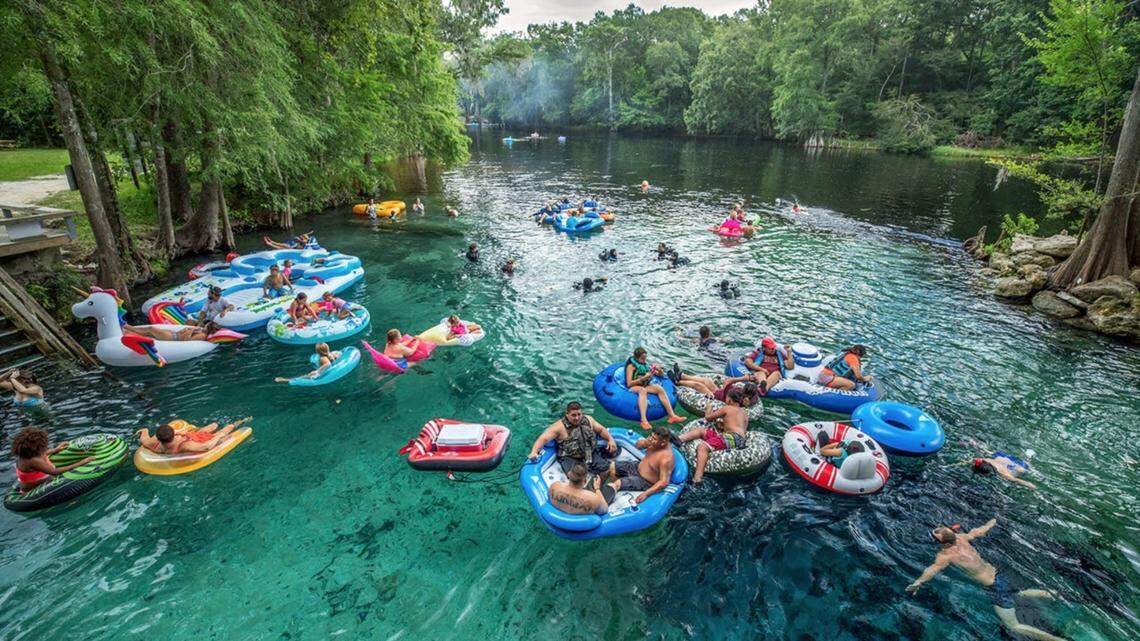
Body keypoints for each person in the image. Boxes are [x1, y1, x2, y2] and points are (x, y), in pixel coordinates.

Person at [908, 519, 1067, 641]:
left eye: (934, 534)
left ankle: (1056, 639)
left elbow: (931, 570)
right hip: (999, 574)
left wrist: (917, 583)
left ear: (943, 543)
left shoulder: (945, 556)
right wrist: (991, 523)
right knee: (1020, 592)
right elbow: (978, 532)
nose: (933, 532)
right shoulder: (962, 538)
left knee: (1013, 626)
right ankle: (1059, 595)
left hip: (994, 588)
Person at [675, 389, 750, 482]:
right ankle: (679, 439)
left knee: (702, 447)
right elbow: (742, 430)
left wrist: (709, 408)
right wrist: (724, 426)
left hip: (731, 438)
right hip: (739, 439)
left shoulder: (727, 408)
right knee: (701, 431)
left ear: (729, 400)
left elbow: (708, 418)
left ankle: (697, 478)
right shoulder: (745, 413)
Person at [527, 402, 619, 477]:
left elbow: (601, 430)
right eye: (573, 415)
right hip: (569, 456)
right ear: (567, 414)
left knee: (606, 468)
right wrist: (534, 452)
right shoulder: (558, 427)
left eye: (579, 414)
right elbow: (543, 439)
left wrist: (611, 440)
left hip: (588, 452)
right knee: (575, 477)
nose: (577, 418)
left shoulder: (588, 419)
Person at [603, 424, 676, 504]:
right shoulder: (652, 443)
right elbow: (638, 446)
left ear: (663, 442)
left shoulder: (666, 459)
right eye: (651, 436)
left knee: (617, 483)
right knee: (611, 466)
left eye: (654, 439)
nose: (651, 439)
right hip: (637, 466)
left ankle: (603, 504)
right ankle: (610, 490)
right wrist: (645, 442)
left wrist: (646, 494)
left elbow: (664, 482)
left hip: (645, 481)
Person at [11, 428, 92, 491]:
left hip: (31, 482)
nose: (46, 447)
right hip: (33, 490)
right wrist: (81, 463)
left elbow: (43, 454)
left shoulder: (25, 455)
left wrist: (56, 449)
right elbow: (54, 472)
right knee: (56, 478)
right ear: (37, 448)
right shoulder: (33, 461)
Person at [625, 347, 686, 429]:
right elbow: (629, 384)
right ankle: (643, 421)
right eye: (642, 358)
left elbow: (660, 375)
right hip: (634, 387)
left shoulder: (645, 365)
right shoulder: (631, 367)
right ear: (636, 357)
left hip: (645, 385)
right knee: (642, 391)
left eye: (645, 358)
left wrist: (659, 370)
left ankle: (672, 416)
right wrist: (642, 378)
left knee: (659, 389)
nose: (644, 360)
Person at [138, 417, 251, 455]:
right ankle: (237, 422)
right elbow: (206, 447)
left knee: (221, 429)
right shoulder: (184, 445)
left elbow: (144, 439)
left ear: (158, 438)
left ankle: (241, 421)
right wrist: (218, 436)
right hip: (195, 438)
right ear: (174, 434)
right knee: (217, 431)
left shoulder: (153, 444)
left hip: (194, 437)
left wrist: (144, 430)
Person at [274, 342, 341, 382]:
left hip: (322, 372)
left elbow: (328, 364)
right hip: (328, 370)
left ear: (317, 352)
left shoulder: (322, 358)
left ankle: (285, 380)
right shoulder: (330, 354)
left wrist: (317, 371)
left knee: (305, 376)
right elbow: (337, 356)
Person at [972, 453, 1037, 490]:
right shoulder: (986, 460)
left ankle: (1029, 457)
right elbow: (974, 460)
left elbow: (1016, 480)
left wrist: (1029, 485)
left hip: (1017, 465)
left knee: (1022, 470)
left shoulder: (1002, 473)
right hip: (1001, 456)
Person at [123, 322, 219, 342]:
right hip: (174, 334)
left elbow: (186, 340)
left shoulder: (202, 335)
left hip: (173, 338)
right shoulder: (201, 330)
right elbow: (185, 332)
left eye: (206, 324)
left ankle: (128, 327)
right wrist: (187, 330)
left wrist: (191, 330)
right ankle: (127, 331)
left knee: (151, 329)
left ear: (208, 327)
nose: (204, 325)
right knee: (149, 333)